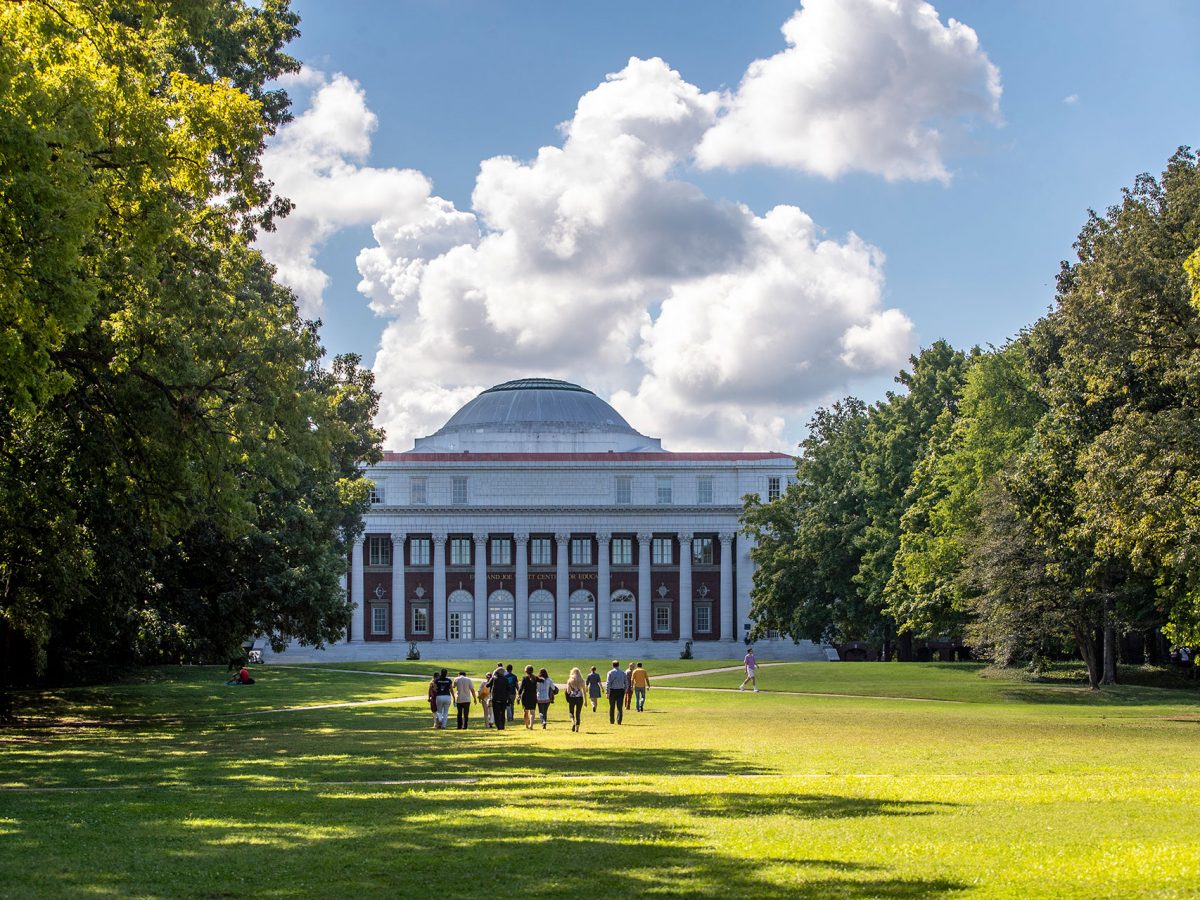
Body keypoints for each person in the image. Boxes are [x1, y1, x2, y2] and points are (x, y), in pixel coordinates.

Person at [518, 665, 541, 730]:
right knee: (532, 711)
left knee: (526, 711)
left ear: (526, 671)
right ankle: (531, 725)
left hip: (525, 696)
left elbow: (521, 688)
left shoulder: (524, 678)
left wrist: (519, 695)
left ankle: (526, 725)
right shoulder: (536, 678)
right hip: (533, 696)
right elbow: (542, 680)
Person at [605, 660, 627, 724]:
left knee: (612, 706)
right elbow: (626, 683)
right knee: (620, 707)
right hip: (620, 690)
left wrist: (607, 692)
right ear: (618, 665)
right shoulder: (623, 673)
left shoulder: (610, 673)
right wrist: (624, 690)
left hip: (612, 691)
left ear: (612, 665)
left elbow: (608, 683)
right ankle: (619, 720)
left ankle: (612, 720)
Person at [489, 665, 510, 730]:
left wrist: (492, 677)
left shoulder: (494, 679)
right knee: (502, 712)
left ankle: (498, 725)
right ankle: (502, 725)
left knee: (496, 713)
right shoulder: (505, 679)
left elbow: (488, 685)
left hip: (495, 698)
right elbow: (508, 688)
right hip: (503, 699)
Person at [565, 667, 585, 732]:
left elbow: (568, 691)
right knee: (578, 713)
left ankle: (573, 721)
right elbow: (584, 691)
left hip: (572, 698)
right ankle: (577, 728)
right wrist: (585, 701)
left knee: (571, 712)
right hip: (580, 698)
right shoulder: (582, 680)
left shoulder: (570, 680)